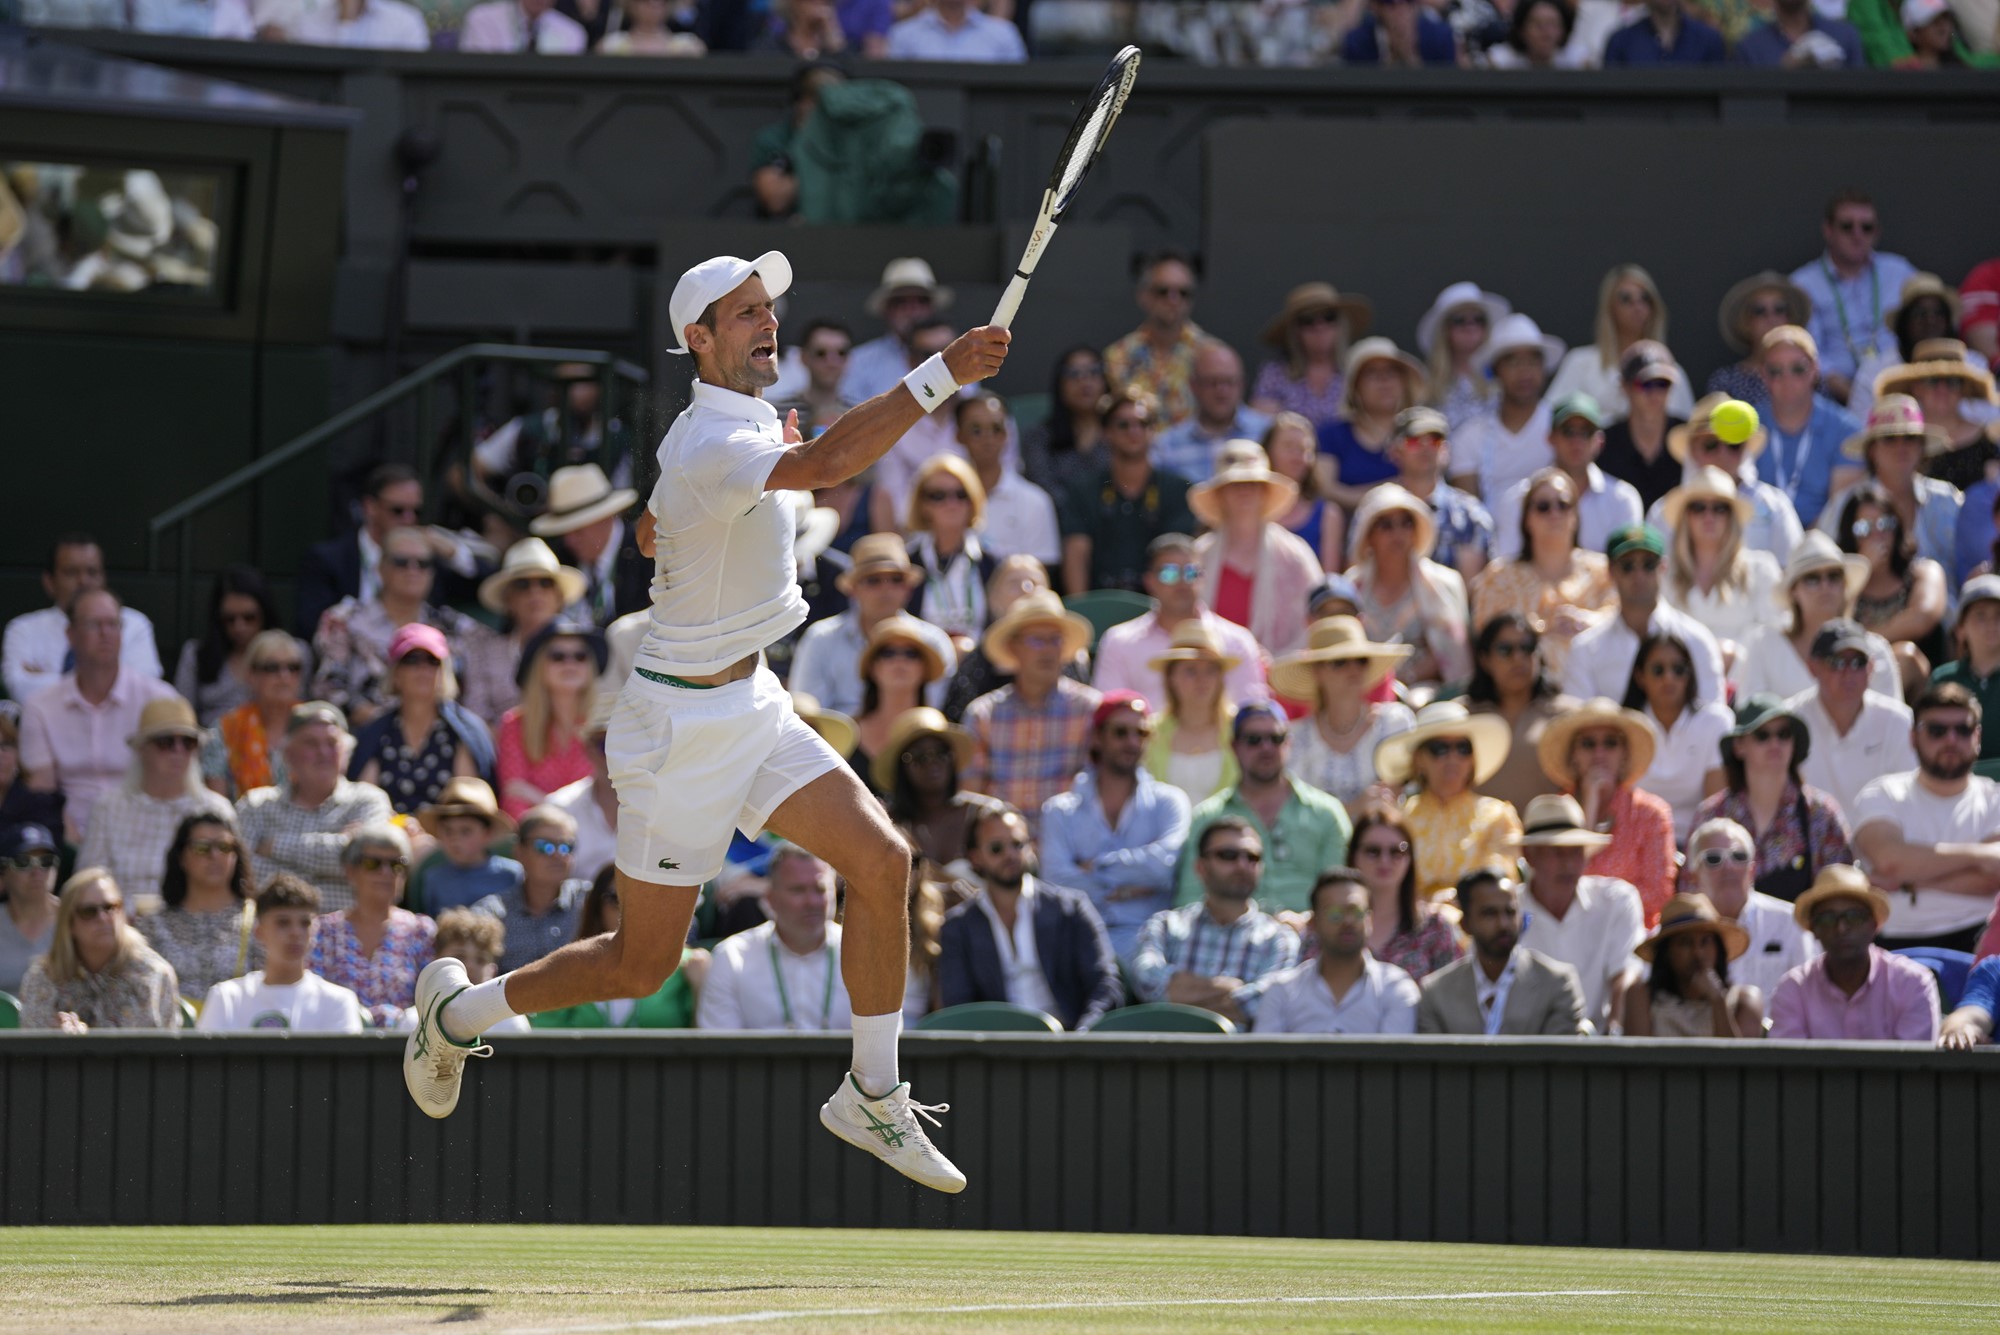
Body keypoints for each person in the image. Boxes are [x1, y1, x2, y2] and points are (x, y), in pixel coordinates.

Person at [404, 252, 1010, 1195]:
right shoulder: (712, 444)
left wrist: (688, 525)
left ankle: (873, 1091)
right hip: (678, 727)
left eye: (770, 309)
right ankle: (458, 1014)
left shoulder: (730, 430)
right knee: (640, 963)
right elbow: (832, 465)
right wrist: (945, 373)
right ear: (700, 337)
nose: (767, 323)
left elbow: (653, 529)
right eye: (743, 314)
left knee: (884, 862)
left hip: (755, 703)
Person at [18, 588, 180, 843]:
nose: (106, 633)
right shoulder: (40, 706)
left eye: (113, 624)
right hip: (70, 839)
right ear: (70, 635)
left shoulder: (159, 700)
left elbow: (173, 783)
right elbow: (43, 793)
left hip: (147, 834)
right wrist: (77, 846)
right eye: (94, 624)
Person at [1039, 694, 1191, 963]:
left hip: (1149, 941)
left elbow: (1163, 867)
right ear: (1097, 737)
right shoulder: (1058, 810)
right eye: (1121, 732)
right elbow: (1056, 882)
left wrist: (1095, 866)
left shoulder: (1170, 802)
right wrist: (1131, 886)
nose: (1132, 742)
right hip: (1074, 938)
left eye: (1141, 733)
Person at [1849, 682, 2000, 952]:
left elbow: (1994, 877)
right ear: (1913, 737)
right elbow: (1890, 862)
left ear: (1977, 737)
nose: (1951, 740)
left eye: (1962, 730)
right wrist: (1980, 855)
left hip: (1979, 936)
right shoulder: (1882, 793)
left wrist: (1911, 881)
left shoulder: (1994, 799)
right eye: (1936, 731)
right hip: (1892, 940)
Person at [940, 803, 1120, 1030]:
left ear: (1031, 848)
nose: (1010, 855)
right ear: (975, 857)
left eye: (1018, 844)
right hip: (996, 1054)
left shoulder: (1071, 908)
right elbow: (959, 1008)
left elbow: (1106, 986)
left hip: (1069, 1044)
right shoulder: (958, 927)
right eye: (997, 848)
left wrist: (1081, 1040)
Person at [1175, 704, 1354, 916]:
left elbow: (1341, 894)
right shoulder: (1208, 817)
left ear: (1289, 743)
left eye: (1275, 738)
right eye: (1254, 740)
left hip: (1311, 940)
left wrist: (1306, 923)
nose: (1266, 748)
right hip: (1231, 939)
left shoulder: (1326, 813)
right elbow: (1189, 900)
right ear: (1234, 747)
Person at [309, 524, 490, 728]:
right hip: (362, 737)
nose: (413, 571)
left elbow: (482, 688)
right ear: (380, 568)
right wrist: (383, 725)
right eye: (401, 562)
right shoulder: (343, 620)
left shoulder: (453, 626)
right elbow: (328, 688)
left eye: (423, 563)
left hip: (440, 740)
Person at [1134, 817, 1300, 1028]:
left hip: (1242, 1057)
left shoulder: (1280, 937)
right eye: (1228, 855)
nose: (1242, 865)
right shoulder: (1165, 926)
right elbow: (1148, 983)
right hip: (1169, 1056)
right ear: (1200, 867)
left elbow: (1267, 1003)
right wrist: (1229, 989)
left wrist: (1180, 1000)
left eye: (1252, 857)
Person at [1692, 694, 1854, 904]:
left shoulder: (1820, 812)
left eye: (1784, 734)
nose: (1775, 742)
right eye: (1762, 735)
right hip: (1726, 934)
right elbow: (1693, 893)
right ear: (1739, 746)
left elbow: (1840, 893)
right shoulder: (1711, 814)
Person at [76, 696, 233, 911]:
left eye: (188, 742)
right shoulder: (108, 807)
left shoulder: (217, 810)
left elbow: (232, 887)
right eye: (166, 742)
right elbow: (87, 884)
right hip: (122, 930)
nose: (178, 751)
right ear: (142, 749)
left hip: (194, 930)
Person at [236, 703, 395, 912]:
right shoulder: (256, 805)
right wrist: (339, 851)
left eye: (332, 743)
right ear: (288, 754)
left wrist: (275, 847)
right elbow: (243, 873)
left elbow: (368, 863)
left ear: (346, 753)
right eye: (311, 743)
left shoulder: (368, 800)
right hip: (270, 936)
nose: (323, 752)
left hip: (347, 936)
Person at [962, 593, 1099, 828]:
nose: (1047, 650)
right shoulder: (983, 714)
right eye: (1036, 640)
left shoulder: (1089, 709)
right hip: (1002, 854)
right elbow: (971, 801)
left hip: (1071, 850)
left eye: (1055, 640)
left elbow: (1101, 795)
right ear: (1013, 647)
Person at [1512, 793, 1647, 1031]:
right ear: (1529, 856)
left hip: (1598, 1049)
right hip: (1527, 1047)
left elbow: (1626, 974)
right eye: (1557, 852)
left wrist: (1614, 1035)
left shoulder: (1617, 900)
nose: (1569, 864)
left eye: (1576, 851)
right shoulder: (1506, 911)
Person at [1537, 697, 1675, 924]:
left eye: (1610, 743)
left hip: (1634, 935)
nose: (1599, 753)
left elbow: (1659, 894)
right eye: (1588, 744)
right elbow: (1552, 886)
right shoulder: (1554, 810)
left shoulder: (1651, 814)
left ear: (1624, 756)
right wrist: (1588, 810)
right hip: (1566, 929)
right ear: (1574, 757)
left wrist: (1601, 912)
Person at [1091, 534, 1265, 713]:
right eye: (1170, 573)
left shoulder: (1238, 641)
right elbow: (1110, 718)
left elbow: (1252, 716)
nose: (1182, 582)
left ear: (1203, 578)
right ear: (1149, 581)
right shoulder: (1120, 642)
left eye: (1191, 572)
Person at [1470, 469, 1615, 683]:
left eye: (1563, 505)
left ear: (1575, 515)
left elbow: (1627, 622)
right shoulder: (1499, 577)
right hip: (1524, 693)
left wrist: (1589, 623)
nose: (1554, 513)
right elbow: (1489, 637)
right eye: (1543, 507)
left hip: (1598, 688)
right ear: (1527, 519)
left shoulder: (1605, 571)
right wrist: (1542, 629)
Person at [1767, 865, 1939, 1041]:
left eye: (1854, 917)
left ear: (1874, 924)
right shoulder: (1792, 989)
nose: (1841, 928)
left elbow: (1914, 1066)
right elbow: (1790, 1066)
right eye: (1827, 919)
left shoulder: (1912, 983)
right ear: (1814, 930)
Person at [791, 533, 955, 717]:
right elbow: (808, 716)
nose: (886, 588)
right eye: (873, 580)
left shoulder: (934, 641)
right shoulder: (820, 639)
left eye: (896, 579)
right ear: (853, 589)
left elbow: (933, 715)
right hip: (835, 744)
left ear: (909, 587)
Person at [1375, 700, 1520, 902]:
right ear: (1419, 760)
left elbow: (1498, 881)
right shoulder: (1399, 819)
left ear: (1472, 760)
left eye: (1463, 748)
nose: (1453, 758)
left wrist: (1452, 901)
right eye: (1439, 749)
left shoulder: (1497, 816)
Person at [1564, 524, 1725, 706]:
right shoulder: (1585, 650)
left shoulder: (1697, 640)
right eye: (1627, 566)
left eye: (1648, 565)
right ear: (1610, 571)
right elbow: (1578, 723)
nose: (1638, 575)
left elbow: (1713, 719)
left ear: (1663, 567)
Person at [1416, 866, 1588, 1036]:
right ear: (1465, 924)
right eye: (1489, 913)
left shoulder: (1557, 983)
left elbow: (1559, 1060)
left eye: (1510, 912)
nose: (1503, 924)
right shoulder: (1436, 993)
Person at [697, 844, 853, 1030]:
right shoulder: (731, 957)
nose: (811, 902)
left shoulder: (866, 956)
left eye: (820, 889)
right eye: (798, 890)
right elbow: (721, 1051)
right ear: (770, 898)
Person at [1059, 387, 1197, 595]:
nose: (1134, 431)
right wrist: (1084, 613)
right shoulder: (1083, 491)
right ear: (1105, 432)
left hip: (1160, 607)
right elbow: (1076, 556)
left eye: (1143, 423)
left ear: (1154, 431)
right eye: (1123, 424)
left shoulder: (1179, 490)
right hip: (1101, 604)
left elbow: (1181, 559)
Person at [1190, 440, 1321, 658]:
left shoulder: (1295, 555)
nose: (1244, 491)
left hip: (1279, 679)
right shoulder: (1198, 556)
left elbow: (1316, 623)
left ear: (1265, 492)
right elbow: (1181, 615)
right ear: (1220, 494)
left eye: (1253, 483)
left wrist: (1277, 662)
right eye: (1234, 484)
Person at [1731, 532, 1899, 702]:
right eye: (1812, 578)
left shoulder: (1876, 652)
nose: (1824, 586)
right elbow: (1750, 718)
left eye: (1833, 576)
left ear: (1845, 586)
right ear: (1793, 591)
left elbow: (1890, 723)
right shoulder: (1763, 645)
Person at [348, 622, 495, 817]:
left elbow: (468, 810)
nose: (423, 668)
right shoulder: (375, 733)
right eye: (412, 659)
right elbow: (362, 806)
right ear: (395, 673)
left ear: (444, 672)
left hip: (448, 840)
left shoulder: (464, 732)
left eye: (432, 661)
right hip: (388, 837)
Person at [2, 532, 163, 706]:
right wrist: (105, 681)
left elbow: (143, 690)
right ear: (49, 582)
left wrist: (46, 678)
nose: (83, 581)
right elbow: (19, 690)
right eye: (71, 573)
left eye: (92, 572)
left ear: (103, 578)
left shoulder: (134, 624)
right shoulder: (23, 629)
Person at [1789, 190, 1919, 404]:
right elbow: (1808, 353)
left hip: (1904, 390)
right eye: (1847, 227)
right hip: (1835, 397)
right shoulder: (1803, 284)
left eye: (1866, 227)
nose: (1857, 235)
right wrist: (1859, 397)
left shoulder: (1900, 272)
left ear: (1876, 232)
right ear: (1828, 230)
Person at [1253, 869, 1420, 1034]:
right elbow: (1264, 1058)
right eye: (1335, 913)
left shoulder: (1395, 988)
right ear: (1313, 923)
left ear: (1370, 919)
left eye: (1356, 912)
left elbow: (1395, 1059)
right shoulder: (1281, 991)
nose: (1347, 921)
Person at [1271, 617, 1413, 810]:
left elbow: (1404, 793)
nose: (1353, 669)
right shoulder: (1297, 738)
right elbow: (1297, 813)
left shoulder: (1394, 722)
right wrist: (1354, 808)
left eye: (1361, 661)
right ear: (1317, 672)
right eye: (1340, 662)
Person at [1650, 394, 1805, 568]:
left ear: (1745, 448)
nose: (1722, 453)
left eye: (1733, 444)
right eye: (1711, 444)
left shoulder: (1775, 505)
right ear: (1692, 449)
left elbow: (1795, 571)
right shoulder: (1663, 512)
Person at [530, 872, 701, 1029]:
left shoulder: (691, 966)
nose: (631, 909)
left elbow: (703, 1041)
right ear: (598, 907)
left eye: (645, 900)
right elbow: (545, 1037)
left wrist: (699, 989)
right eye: (616, 899)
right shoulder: (566, 964)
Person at [196, 875, 366, 1032]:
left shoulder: (338, 1002)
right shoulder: (227, 998)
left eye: (305, 923)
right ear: (259, 932)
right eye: (283, 923)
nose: (296, 933)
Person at [18, 869, 180, 1031]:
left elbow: (158, 1050)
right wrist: (58, 1041)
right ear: (69, 924)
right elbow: (31, 1047)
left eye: (110, 907)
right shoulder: (43, 978)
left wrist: (84, 1044)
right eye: (89, 912)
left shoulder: (152, 974)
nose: (103, 918)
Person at [1819, 395, 1962, 575]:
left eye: (1909, 438)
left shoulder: (1948, 499)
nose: (1901, 446)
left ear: (1921, 447)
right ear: (1871, 450)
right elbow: (1824, 570)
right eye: (1890, 438)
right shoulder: (1843, 504)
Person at [1491, 392, 1643, 562]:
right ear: (1550, 438)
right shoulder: (1517, 498)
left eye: (1586, 432)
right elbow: (1507, 566)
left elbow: (1629, 567)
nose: (1576, 442)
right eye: (1568, 431)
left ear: (1599, 441)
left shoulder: (1622, 499)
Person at [1347, 484, 1472, 690]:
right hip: (1362, 693)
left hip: (1427, 697)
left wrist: (1405, 680)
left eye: (1406, 523)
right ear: (1368, 536)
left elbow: (1448, 654)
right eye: (1386, 525)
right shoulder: (1350, 588)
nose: (1398, 533)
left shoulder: (1445, 584)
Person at [308, 823, 434, 1028]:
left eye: (396, 865)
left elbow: (432, 1001)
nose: (385, 872)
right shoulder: (323, 931)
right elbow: (313, 997)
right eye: (372, 864)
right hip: (337, 1047)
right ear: (350, 871)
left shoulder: (420, 931)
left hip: (404, 1048)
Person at [1683, 816, 1820, 1002]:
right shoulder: (1678, 933)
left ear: (1752, 870)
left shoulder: (1790, 922)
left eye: (1739, 857)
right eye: (1713, 858)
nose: (1728, 867)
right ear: (1693, 877)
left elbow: (1812, 993)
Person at [1658, 464, 1783, 659]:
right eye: (1699, 507)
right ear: (1686, 517)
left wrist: (1735, 656)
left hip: (1747, 683)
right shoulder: (1665, 572)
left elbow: (1776, 638)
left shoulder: (1761, 569)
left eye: (1720, 508)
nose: (1709, 516)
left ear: (1731, 517)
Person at [1545, 266, 1695, 423]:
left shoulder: (1671, 373)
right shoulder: (1580, 362)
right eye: (1626, 298)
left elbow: (1684, 432)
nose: (1637, 306)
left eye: (1645, 298)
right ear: (1610, 307)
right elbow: (1552, 417)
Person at [1461, 613, 1578, 814]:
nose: (1518, 658)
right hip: (1477, 839)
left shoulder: (1567, 715)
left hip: (1546, 838)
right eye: (1505, 650)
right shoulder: (1461, 716)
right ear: (1485, 659)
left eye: (1527, 648)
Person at [1619, 631, 1729, 844]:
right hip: (1637, 845)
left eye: (1678, 669)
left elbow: (1715, 810)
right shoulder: (1625, 727)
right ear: (1640, 676)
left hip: (1699, 845)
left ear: (1689, 675)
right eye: (1658, 670)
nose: (1669, 678)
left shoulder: (1715, 722)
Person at [466, 538, 589, 727]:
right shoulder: (484, 652)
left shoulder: (581, 651)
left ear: (559, 597)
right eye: (523, 584)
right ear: (509, 600)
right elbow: (475, 721)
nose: (535, 592)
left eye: (545, 583)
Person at [1837, 481, 1948, 689]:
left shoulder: (1923, 573)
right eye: (1864, 528)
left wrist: (1862, 642)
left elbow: (1921, 619)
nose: (1878, 536)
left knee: (1904, 657)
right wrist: (1860, 572)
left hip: (1922, 692)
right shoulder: (1840, 584)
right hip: (1854, 684)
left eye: (1885, 525)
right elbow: (1835, 627)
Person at [495, 621, 604, 821]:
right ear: (539, 666)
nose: (569, 664)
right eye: (557, 656)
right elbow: (513, 801)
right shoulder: (514, 725)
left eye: (580, 656)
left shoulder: (606, 727)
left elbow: (608, 799)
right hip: (538, 843)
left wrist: (540, 799)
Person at [1454, 313, 1565, 508]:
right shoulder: (1470, 436)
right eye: (1513, 362)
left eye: (1532, 361)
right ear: (1495, 371)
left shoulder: (1563, 427)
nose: (1524, 371)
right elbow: (1467, 513)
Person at [1755, 326, 1860, 530]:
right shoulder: (1749, 427)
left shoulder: (1846, 429)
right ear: (1763, 375)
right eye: (1775, 371)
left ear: (1815, 369)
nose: (1787, 379)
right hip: (1759, 541)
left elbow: (1838, 512)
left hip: (1823, 546)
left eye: (1798, 369)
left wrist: (1803, 551)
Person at [1344, 802, 1461, 982]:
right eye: (1373, 851)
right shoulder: (1330, 923)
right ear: (1354, 856)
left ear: (1409, 859)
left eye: (1396, 851)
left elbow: (1454, 997)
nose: (1385, 860)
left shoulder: (1434, 928)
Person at [1623, 893, 1765, 1038]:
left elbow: (1738, 1059)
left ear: (1719, 948)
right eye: (1685, 942)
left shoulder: (1745, 1001)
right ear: (1666, 953)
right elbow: (1639, 1058)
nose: (1697, 953)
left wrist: (1718, 1002)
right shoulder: (1642, 996)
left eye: (1705, 941)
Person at [530, 463, 651, 627]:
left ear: (606, 517)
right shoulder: (558, 558)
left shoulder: (647, 556)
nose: (569, 541)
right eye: (563, 531)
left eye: (578, 530)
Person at [472, 805, 590, 971]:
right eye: (544, 846)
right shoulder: (492, 914)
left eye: (566, 847)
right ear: (519, 852)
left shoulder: (592, 902)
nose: (557, 855)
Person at [1317, 338, 1427, 512]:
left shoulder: (1421, 432)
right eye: (1372, 373)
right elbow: (1325, 489)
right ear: (1355, 387)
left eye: (1391, 372)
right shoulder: (1331, 434)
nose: (1384, 381)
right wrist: (1390, 490)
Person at [876, 706, 984, 877]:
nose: (932, 763)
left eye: (942, 753)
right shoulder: (887, 825)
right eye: (920, 757)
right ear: (901, 769)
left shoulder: (982, 815)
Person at [904, 454, 997, 650]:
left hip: (980, 672)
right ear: (922, 505)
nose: (951, 503)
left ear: (973, 501)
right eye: (938, 495)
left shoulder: (993, 565)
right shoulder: (905, 564)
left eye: (961, 494)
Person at [1142, 621, 1242, 805]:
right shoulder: (1148, 731)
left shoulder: (1241, 729)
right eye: (1190, 671)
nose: (1201, 680)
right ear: (1171, 677)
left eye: (1210, 670)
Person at [1878, 339, 2000, 489]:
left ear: (1964, 388)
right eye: (1932, 380)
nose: (1942, 389)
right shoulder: (1901, 441)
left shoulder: (1989, 443)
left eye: (1952, 381)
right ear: (1916, 387)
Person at [1250, 281, 1371, 431]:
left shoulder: (1358, 369)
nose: (1319, 326)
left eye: (1328, 317)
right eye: (1308, 320)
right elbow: (1259, 422)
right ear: (1294, 331)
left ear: (1341, 324)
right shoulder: (1275, 373)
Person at [1102, 251, 1204, 427]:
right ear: (1143, 295)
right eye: (1163, 291)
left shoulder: (1212, 355)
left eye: (1183, 292)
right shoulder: (1117, 355)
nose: (1174, 300)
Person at [202, 630, 306, 801]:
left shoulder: (317, 724)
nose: (284, 676)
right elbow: (216, 804)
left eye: (293, 667)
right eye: (272, 668)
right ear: (251, 675)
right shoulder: (225, 729)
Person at [1391, 406, 1493, 579]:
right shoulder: (1377, 510)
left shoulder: (1469, 515)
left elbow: (1471, 590)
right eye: (1414, 441)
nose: (1425, 448)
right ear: (1395, 452)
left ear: (1446, 450)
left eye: (1434, 440)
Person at [960, 394, 1060, 568]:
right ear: (959, 435)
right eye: (976, 430)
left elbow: (1040, 575)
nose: (987, 437)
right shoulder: (941, 495)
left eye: (996, 428)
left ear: (1007, 434)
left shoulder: (1035, 501)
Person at [174, 565, 281, 727]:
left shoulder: (290, 656)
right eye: (229, 619)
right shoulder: (196, 654)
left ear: (264, 614)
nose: (239, 627)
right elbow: (181, 717)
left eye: (249, 617)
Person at [850, 614, 947, 793]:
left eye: (911, 654)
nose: (899, 660)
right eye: (887, 653)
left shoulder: (941, 734)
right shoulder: (847, 733)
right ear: (873, 667)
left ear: (924, 668)